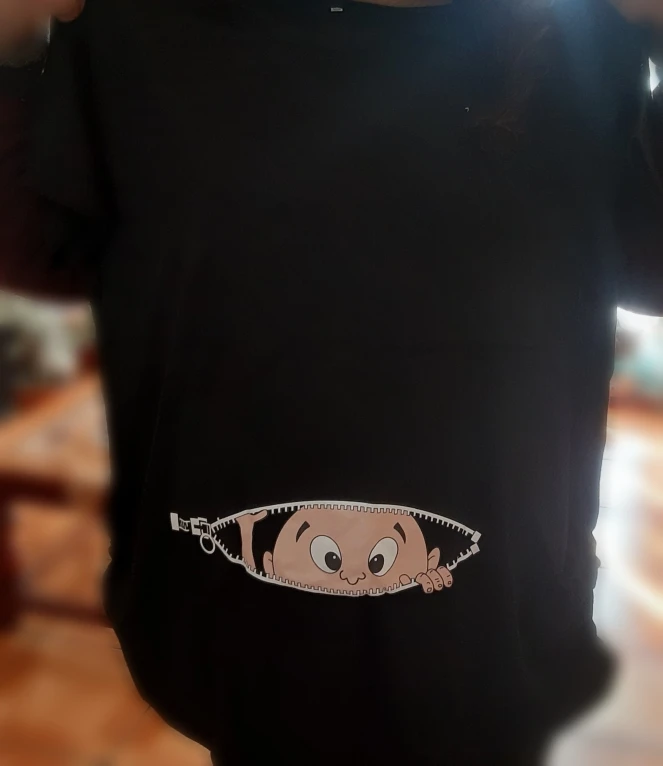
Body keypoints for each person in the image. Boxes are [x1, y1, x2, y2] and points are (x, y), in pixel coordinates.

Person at [1, 0, 662, 763]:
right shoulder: (142, 39)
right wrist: (14, 36)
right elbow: (45, 245)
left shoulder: (569, 45)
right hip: (231, 643)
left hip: (493, 650)